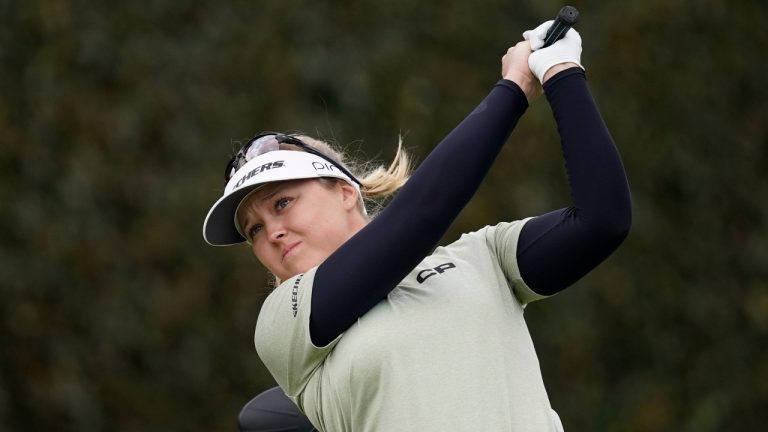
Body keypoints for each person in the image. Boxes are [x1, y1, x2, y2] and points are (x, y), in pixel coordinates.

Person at [203, 20, 631, 432]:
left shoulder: (483, 257)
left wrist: (561, 72)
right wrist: (514, 89)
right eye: (253, 229)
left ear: (345, 191)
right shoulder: (283, 326)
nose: (272, 232)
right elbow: (420, 216)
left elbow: (602, 221)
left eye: (283, 202)